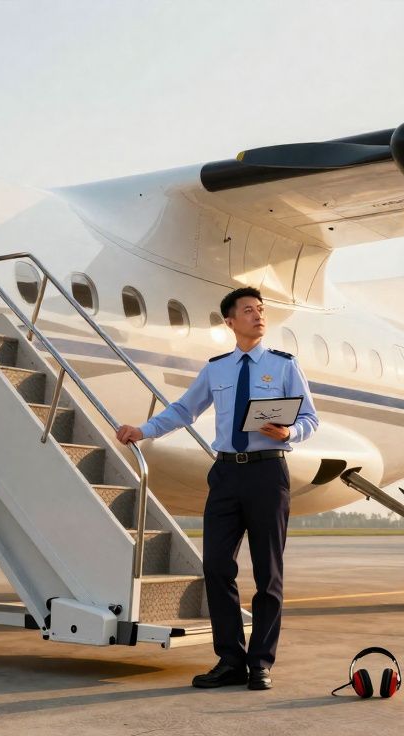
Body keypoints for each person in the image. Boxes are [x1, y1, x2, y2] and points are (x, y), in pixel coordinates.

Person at [116, 286, 318, 691]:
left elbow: (310, 419)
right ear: (230, 321)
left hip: (267, 473)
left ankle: (260, 663)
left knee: (268, 573)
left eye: (261, 310)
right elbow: (184, 410)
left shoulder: (283, 366)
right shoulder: (217, 369)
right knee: (216, 567)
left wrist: (289, 432)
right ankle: (230, 660)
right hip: (225, 474)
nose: (258, 316)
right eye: (249, 310)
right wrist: (144, 429)